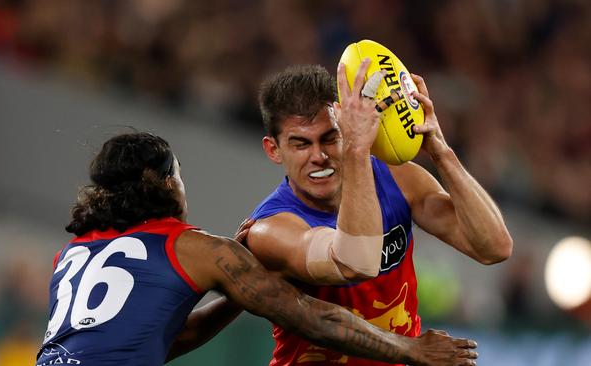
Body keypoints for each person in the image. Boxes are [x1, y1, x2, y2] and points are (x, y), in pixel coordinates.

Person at [35, 132, 478, 366]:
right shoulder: (195, 248)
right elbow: (312, 318)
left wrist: (236, 296)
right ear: (169, 182)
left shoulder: (69, 257)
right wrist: (411, 351)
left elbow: (166, 340)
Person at [245, 59, 513, 365]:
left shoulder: (398, 178)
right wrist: (356, 148)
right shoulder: (270, 230)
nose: (318, 156)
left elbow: (495, 247)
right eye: (301, 144)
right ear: (273, 150)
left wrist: (441, 150)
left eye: (330, 138)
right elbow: (356, 263)